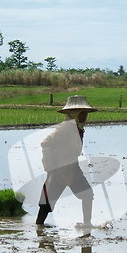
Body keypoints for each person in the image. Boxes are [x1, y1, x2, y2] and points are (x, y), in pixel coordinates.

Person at [36, 96, 96, 227]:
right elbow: (45, 143)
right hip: (59, 170)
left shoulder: (78, 128)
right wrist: (49, 166)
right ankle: (38, 227)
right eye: (83, 113)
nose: (85, 116)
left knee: (87, 194)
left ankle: (87, 224)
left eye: (85, 113)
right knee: (47, 204)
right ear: (75, 114)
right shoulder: (65, 128)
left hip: (73, 168)